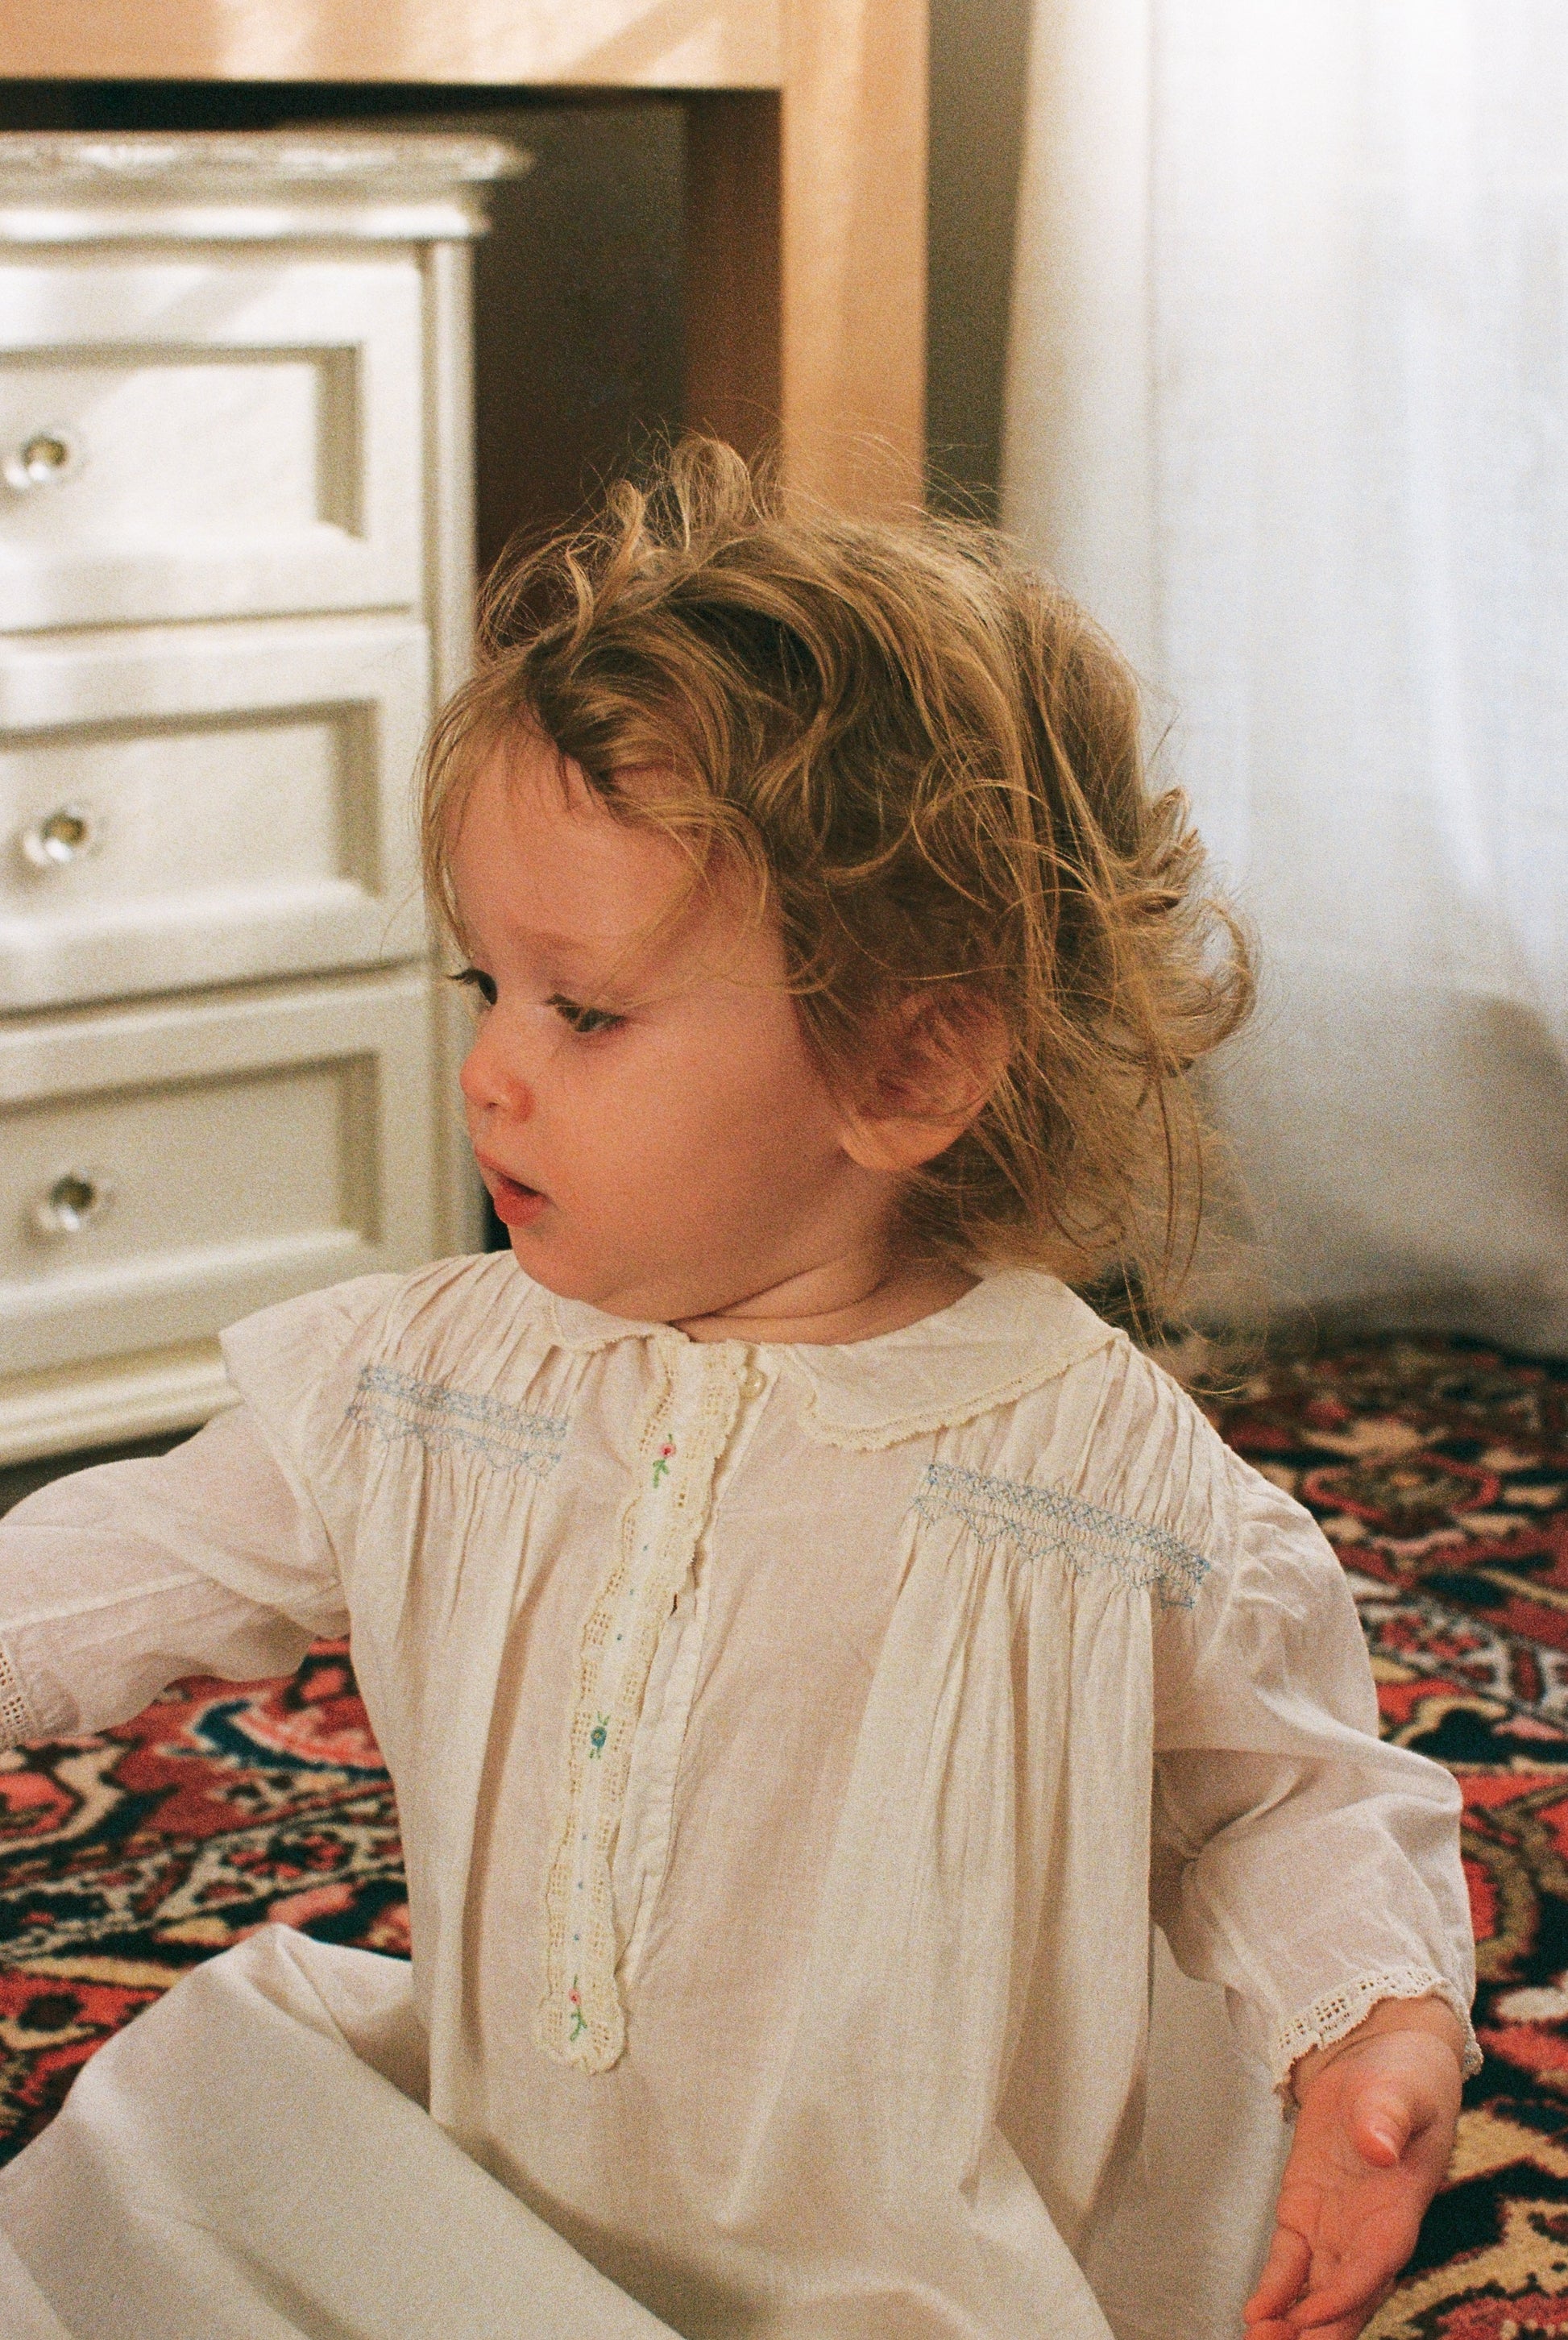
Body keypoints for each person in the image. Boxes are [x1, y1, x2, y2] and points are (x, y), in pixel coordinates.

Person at [0, 442, 1475, 2340]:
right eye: (486, 991)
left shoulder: (1095, 1484)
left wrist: (1373, 2018)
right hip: (512, 2201)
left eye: (584, 1011)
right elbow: (125, 1563)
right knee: (185, 2151)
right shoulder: (436, 1383)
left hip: (907, 2271)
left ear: (908, 1065)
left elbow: (1279, 1802)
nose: (491, 1075)